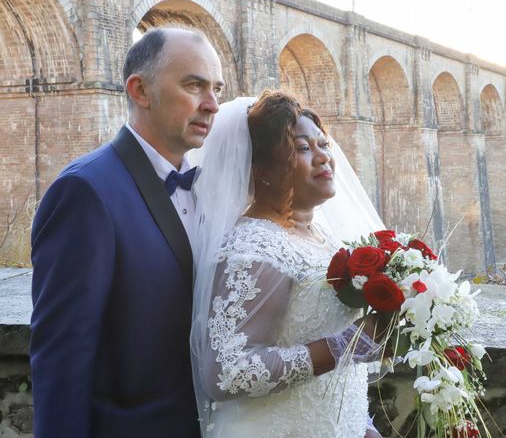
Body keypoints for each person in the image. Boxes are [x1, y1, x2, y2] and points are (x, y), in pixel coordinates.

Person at [30, 27, 225, 437]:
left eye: (217, 89)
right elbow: (61, 356)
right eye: (194, 85)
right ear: (140, 90)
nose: (212, 105)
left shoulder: (215, 188)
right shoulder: (85, 191)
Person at [189, 90, 388, 438]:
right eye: (302, 148)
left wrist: (362, 426)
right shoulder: (253, 247)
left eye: (323, 143)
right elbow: (228, 372)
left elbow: (335, 373)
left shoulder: (324, 238)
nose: (324, 157)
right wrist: (345, 346)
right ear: (262, 168)